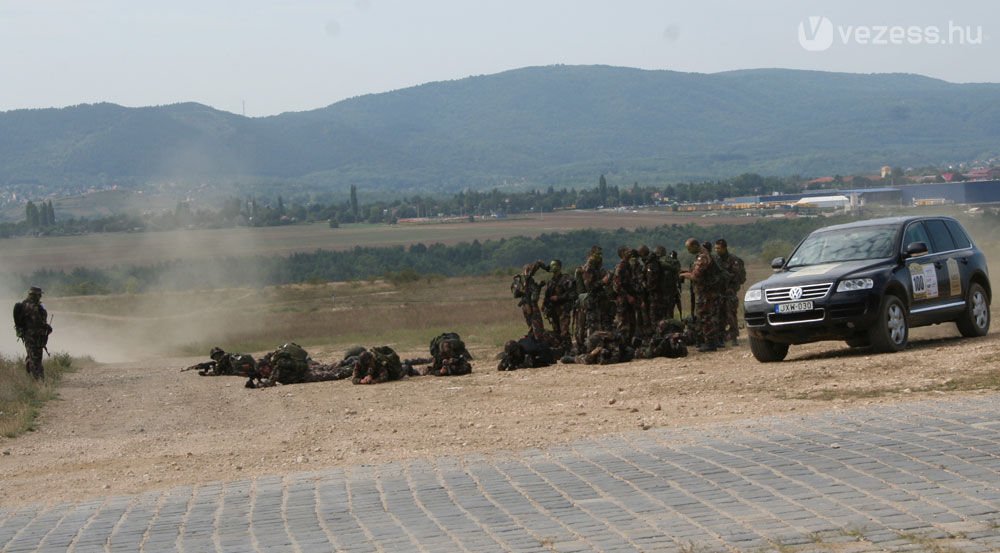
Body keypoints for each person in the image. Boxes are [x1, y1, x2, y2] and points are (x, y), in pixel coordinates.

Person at [680, 238, 724, 352]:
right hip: (708, 292)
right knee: (709, 316)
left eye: (689, 248)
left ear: (695, 246)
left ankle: (710, 343)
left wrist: (683, 275)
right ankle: (713, 341)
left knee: (705, 317)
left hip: (706, 293)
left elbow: (696, 276)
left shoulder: (703, 257)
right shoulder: (705, 255)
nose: (688, 251)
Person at [574, 246, 612, 352]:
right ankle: (590, 348)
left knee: (601, 324)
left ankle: (599, 346)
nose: (600, 257)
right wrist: (603, 282)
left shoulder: (598, 269)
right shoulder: (588, 268)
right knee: (592, 325)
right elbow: (590, 287)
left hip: (599, 301)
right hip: (592, 302)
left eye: (601, 254)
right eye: (597, 254)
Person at [13, 286, 52, 380]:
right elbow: (37, 323)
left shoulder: (25, 304)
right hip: (34, 336)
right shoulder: (32, 306)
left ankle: (31, 377)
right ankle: (39, 381)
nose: (40, 297)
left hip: (29, 336)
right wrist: (47, 327)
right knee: (36, 359)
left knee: (32, 356)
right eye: (39, 295)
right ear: (35, 295)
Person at [715, 239, 747, 346]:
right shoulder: (716, 260)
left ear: (724, 248)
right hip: (718, 291)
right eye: (715, 248)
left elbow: (737, 276)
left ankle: (734, 338)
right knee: (719, 314)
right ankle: (721, 337)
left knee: (731, 314)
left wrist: (726, 278)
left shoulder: (734, 260)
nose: (716, 250)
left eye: (718, 248)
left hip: (730, 291)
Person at [542, 259, 576, 351]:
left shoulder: (566, 279)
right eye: (551, 265)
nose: (552, 267)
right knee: (556, 331)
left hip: (563, 309)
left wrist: (559, 297)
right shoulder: (551, 281)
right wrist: (544, 306)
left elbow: (572, 294)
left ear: (559, 267)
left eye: (554, 265)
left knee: (564, 331)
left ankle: (568, 350)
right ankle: (560, 349)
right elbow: (547, 297)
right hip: (553, 310)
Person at [514, 260, 549, 341]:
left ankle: (532, 341)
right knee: (538, 327)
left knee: (531, 326)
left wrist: (539, 286)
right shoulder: (527, 279)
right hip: (531, 305)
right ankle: (538, 343)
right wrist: (546, 268)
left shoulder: (519, 280)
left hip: (525, 306)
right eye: (529, 269)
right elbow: (538, 263)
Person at [612, 247, 641, 341]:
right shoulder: (620, 267)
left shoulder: (629, 266)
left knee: (632, 323)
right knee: (623, 324)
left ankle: (628, 344)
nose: (630, 251)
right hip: (623, 300)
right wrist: (628, 296)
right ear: (622, 254)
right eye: (627, 250)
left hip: (630, 300)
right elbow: (617, 286)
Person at [656, 246, 682, 320]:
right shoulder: (673, 261)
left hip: (660, 291)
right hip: (672, 290)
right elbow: (678, 274)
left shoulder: (656, 261)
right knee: (670, 311)